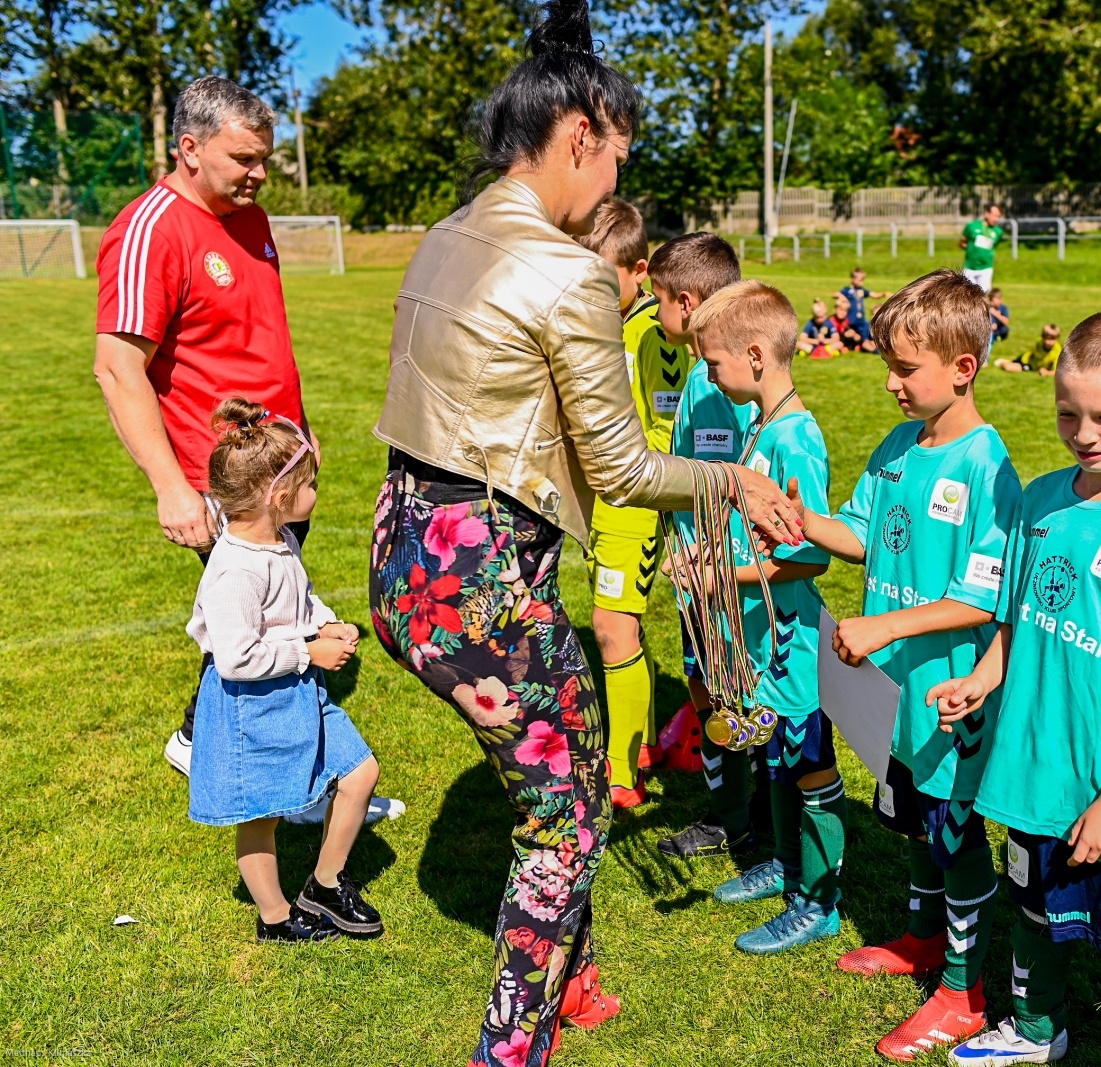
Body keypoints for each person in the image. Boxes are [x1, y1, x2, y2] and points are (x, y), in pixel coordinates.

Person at [366, 5, 800, 1062]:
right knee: (565, 825)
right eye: (614, 162)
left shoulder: (443, 235)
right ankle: (509, 1050)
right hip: (479, 583)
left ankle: (579, 973)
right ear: (579, 137)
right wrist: (732, 476)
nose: (612, 187)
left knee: (565, 765)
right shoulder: (566, 272)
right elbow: (621, 468)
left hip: (398, 556)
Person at [89, 75, 404, 824]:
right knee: (266, 627)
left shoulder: (251, 216)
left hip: (281, 469)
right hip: (225, 481)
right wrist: (171, 486)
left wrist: (298, 431)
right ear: (188, 148)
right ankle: (289, 784)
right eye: (243, 158)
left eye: (265, 157)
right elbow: (116, 365)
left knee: (276, 612)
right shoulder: (150, 229)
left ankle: (205, 739)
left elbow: (253, 336)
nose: (259, 172)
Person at [932, 310, 1101, 1067]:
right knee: (1032, 904)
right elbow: (1015, 618)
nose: (1086, 432)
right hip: (1027, 765)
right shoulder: (1042, 498)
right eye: (1068, 413)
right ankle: (1037, 1029)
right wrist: (983, 678)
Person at [786, 269, 1022, 1062]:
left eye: (904, 368)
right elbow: (860, 531)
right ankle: (924, 939)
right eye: (887, 363)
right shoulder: (899, 445)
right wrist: (806, 521)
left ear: (964, 366)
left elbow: (984, 599)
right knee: (917, 821)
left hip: (949, 694)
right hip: (891, 697)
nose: (890, 383)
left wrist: (884, 625)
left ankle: (964, 990)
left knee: (956, 838)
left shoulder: (989, 470)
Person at [687, 281, 846, 954]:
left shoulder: (795, 438)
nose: (709, 376)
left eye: (713, 363)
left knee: (810, 762)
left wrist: (720, 573)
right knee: (779, 757)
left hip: (794, 642)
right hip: (759, 636)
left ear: (754, 355)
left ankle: (819, 902)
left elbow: (810, 559)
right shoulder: (760, 422)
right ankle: (785, 863)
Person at [187, 399, 382, 944]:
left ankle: (324, 882)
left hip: (301, 694)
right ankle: (274, 918)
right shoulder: (233, 571)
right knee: (260, 815)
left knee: (360, 772)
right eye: (310, 484)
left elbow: (300, 600)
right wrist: (308, 653)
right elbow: (236, 657)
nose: (316, 495)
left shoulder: (279, 541)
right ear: (279, 496)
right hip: (252, 709)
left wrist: (326, 623)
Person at [653, 234, 765, 861]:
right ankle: (731, 814)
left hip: (728, 577)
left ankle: (754, 823)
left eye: (659, 299)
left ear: (688, 301)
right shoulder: (704, 373)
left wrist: (712, 559)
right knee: (706, 686)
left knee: (741, 695)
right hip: (698, 569)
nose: (653, 308)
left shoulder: (718, 381)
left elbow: (729, 478)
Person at [574, 198, 681, 811]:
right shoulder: (608, 324)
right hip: (601, 500)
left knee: (614, 628)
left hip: (635, 501)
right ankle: (636, 743)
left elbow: (667, 432)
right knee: (610, 626)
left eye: (601, 279)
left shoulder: (653, 337)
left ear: (640, 272)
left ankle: (623, 770)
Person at [959, 203, 1006, 292]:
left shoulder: (998, 232)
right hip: (970, 267)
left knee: (984, 294)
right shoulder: (972, 226)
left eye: (999, 217)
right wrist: (971, 250)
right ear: (987, 214)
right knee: (967, 294)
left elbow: (992, 246)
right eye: (995, 216)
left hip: (986, 267)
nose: (997, 219)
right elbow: (962, 241)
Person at [839, 266, 885, 352]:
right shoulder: (847, 290)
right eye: (860, 280)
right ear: (853, 278)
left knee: (863, 336)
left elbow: (873, 294)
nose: (862, 282)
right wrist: (842, 298)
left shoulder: (862, 291)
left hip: (860, 322)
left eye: (863, 280)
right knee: (850, 335)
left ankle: (859, 346)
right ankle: (848, 346)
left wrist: (883, 294)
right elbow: (836, 295)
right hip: (850, 322)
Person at [994, 323, 1060, 376]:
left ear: (1057, 339)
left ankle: (1007, 362)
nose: (1050, 342)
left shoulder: (1058, 350)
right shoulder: (1039, 342)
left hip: (1033, 366)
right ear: (1043, 337)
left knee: (1009, 367)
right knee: (1008, 367)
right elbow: (1031, 352)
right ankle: (1003, 362)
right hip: (1028, 361)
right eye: (1048, 338)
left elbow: (1058, 370)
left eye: (1053, 339)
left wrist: (1047, 372)